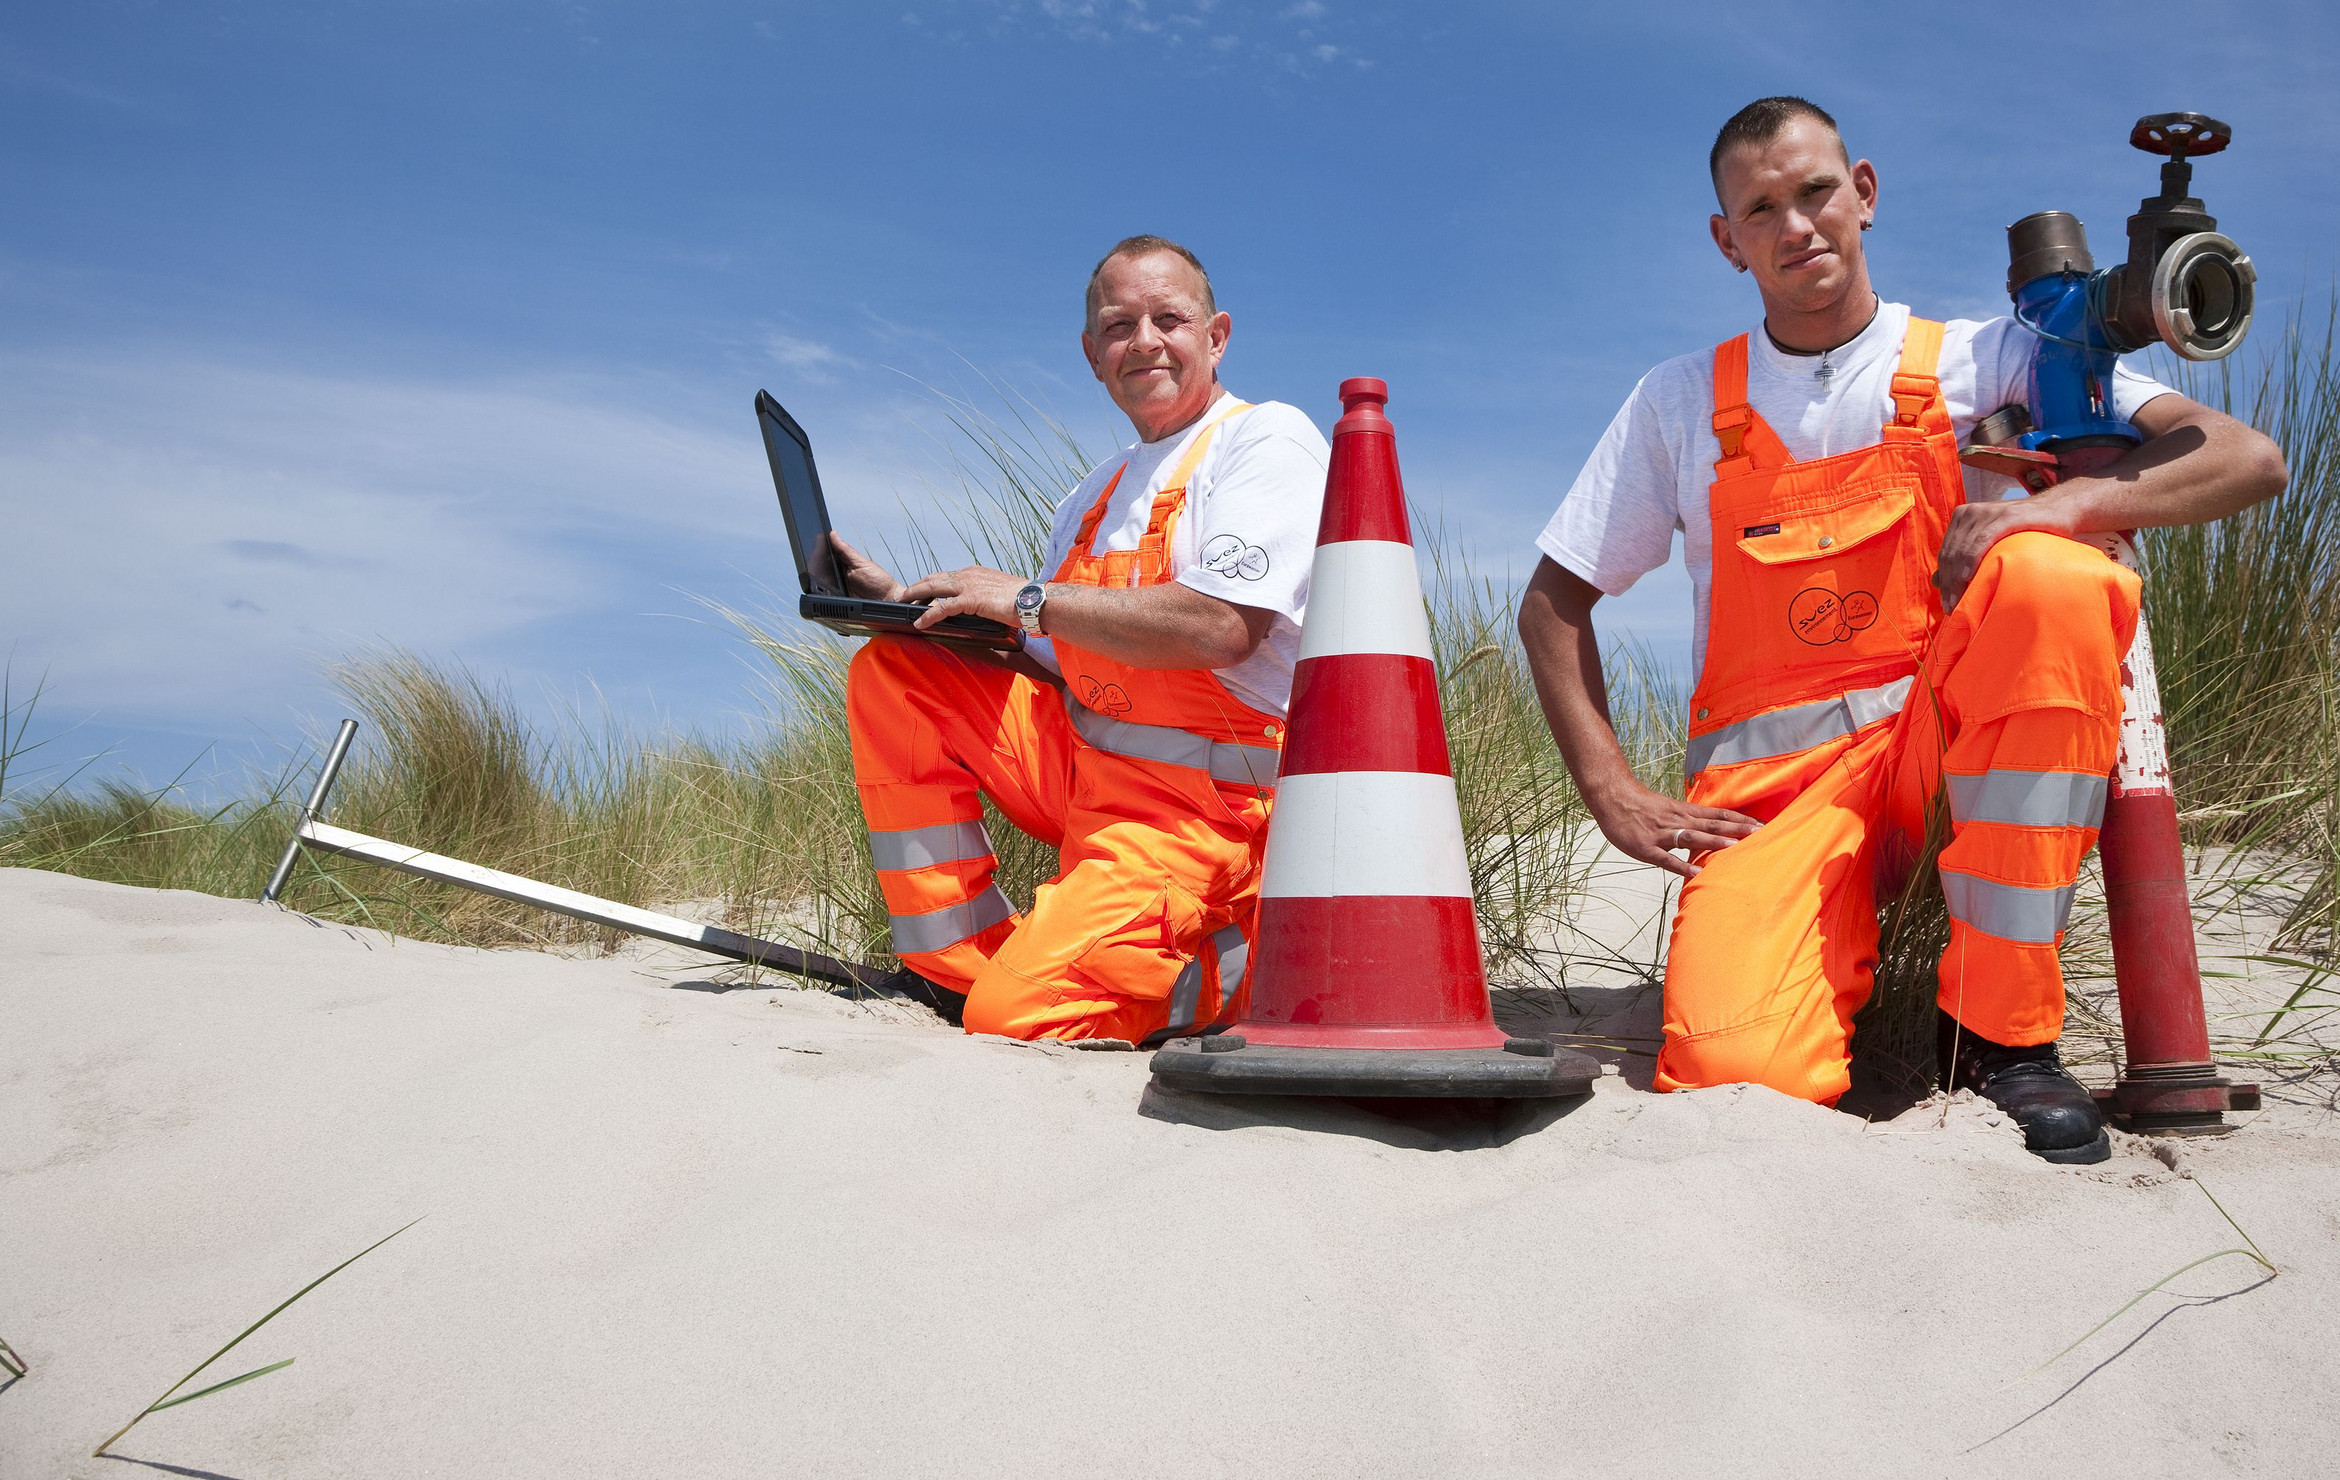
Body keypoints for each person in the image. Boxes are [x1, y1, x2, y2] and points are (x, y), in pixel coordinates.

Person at [1517, 98, 2286, 1162]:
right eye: (1761, 208)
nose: (1797, 225)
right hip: (1773, 807)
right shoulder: (1680, 401)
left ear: (1864, 193)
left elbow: (2246, 458)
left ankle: (1998, 1035)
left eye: (1817, 191)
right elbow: (1554, 599)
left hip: (1937, 761)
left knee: (2055, 579)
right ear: (1725, 240)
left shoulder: (1991, 356)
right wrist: (1610, 790)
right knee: (1740, 1074)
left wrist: (2053, 507)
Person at [829, 235, 1330, 1042]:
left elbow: (1222, 626)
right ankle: (963, 974)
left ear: (1217, 335)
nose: (1144, 341)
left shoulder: (1265, 441)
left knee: (1018, 1014)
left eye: (1168, 318)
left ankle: (1248, 966)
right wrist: (900, 608)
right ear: (1093, 354)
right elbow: (1051, 652)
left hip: (1208, 810)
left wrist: (1026, 597)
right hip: (1090, 771)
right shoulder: (1095, 489)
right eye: (1118, 325)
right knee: (896, 672)